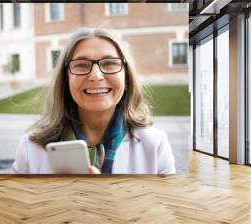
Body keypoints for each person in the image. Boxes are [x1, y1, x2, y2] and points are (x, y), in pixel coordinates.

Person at [12, 27, 175, 174]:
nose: (96, 76)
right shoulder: (30, 147)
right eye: (81, 65)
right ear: (66, 79)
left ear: (126, 77)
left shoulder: (155, 144)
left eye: (110, 63)